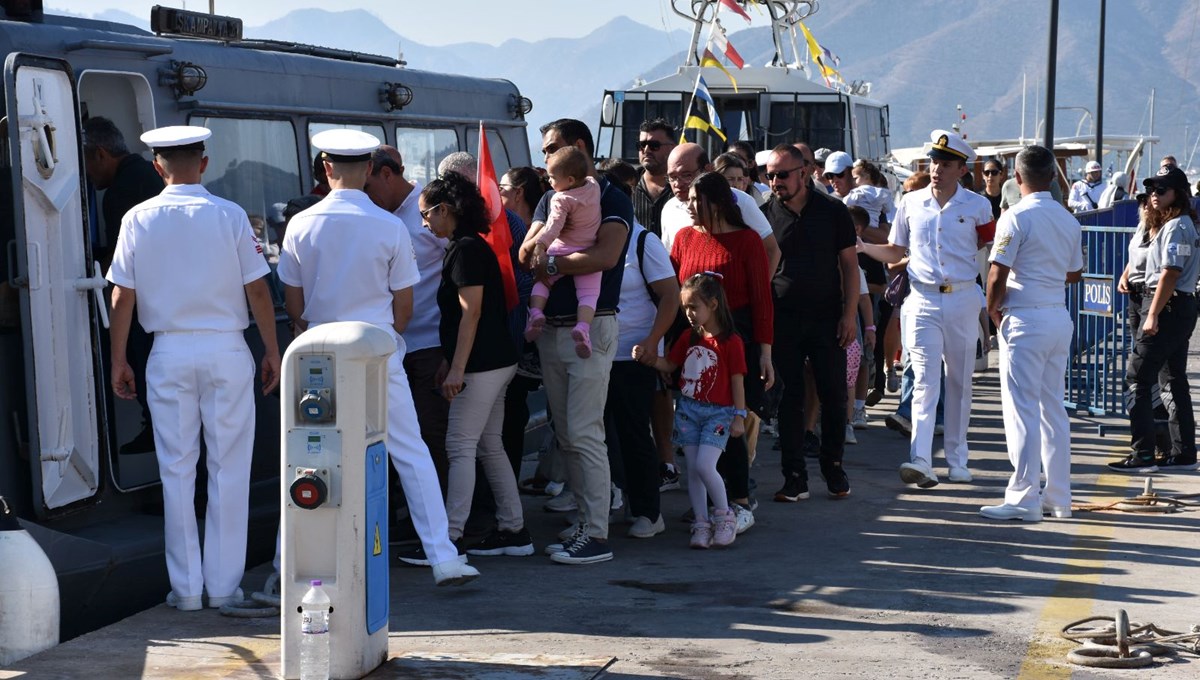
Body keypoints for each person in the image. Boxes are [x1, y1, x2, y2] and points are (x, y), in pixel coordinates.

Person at [278, 129, 479, 586]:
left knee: (309, 455)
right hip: (376, 347)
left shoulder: (300, 225)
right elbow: (404, 307)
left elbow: (294, 305)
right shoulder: (390, 226)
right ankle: (443, 558)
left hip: (319, 354)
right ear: (369, 170)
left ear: (326, 168)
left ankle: (293, 564)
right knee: (410, 450)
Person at [106, 125, 281, 611]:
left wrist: (119, 357)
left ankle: (185, 591)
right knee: (229, 469)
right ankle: (224, 587)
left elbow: (122, 295)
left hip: (167, 352)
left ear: (158, 166)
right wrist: (271, 349)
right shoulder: (229, 216)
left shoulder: (137, 218)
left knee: (176, 470)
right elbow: (259, 290)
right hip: (226, 349)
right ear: (203, 163)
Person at [520, 118, 632, 565]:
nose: (545, 157)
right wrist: (541, 256)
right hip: (553, 328)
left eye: (551, 149)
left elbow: (605, 256)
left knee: (585, 433)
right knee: (567, 433)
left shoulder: (612, 198)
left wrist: (551, 263)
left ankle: (597, 533)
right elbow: (527, 254)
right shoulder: (550, 196)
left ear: (577, 149)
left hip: (592, 324)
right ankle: (587, 521)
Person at [859, 130, 995, 488]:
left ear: (962, 169)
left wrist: (989, 306)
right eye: (934, 162)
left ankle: (957, 458)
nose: (937, 169)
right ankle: (920, 459)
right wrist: (864, 248)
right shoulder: (911, 202)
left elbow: (988, 247)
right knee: (923, 379)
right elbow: (896, 250)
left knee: (960, 381)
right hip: (920, 298)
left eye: (946, 164)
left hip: (963, 296)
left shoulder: (978, 206)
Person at [417, 173, 532, 555]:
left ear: (444, 210)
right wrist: (452, 360)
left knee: (460, 445)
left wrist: (456, 369)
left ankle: (449, 537)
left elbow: (471, 313)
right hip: (498, 361)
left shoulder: (464, 250)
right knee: (489, 445)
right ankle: (514, 529)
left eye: (426, 215)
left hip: (482, 365)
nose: (424, 223)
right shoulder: (471, 246)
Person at [980, 145, 1084, 522]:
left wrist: (993, 309)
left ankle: (1023, 497)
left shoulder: (1014, 216)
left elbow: (996, 273)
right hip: (1057, 315)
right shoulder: (1068, 219)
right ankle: (1058, 498)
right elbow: (1075, 272)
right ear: (1054, 177)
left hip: (1025, 319)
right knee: (1052, 409)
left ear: (1017, 178)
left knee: (1022, 411)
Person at [671, 171, 774, 528]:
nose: (689, 205)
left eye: (697, 199)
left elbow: (762, 300)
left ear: (716, 202)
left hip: (736, 341)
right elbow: (673, 295)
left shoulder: (747, 241)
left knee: (731, 422)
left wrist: (765, 352)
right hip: (694, 345)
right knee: (694, 425)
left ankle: (740, 501)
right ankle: (708, 503)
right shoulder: (684, 238)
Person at [762, 143, 858, 501]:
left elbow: (849, 266)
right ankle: (794, 476)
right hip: (782, 319)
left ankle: (833, 467)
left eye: (782, 175)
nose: (775, 182)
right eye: (770, 175)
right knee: (789, 399)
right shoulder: (763, 215)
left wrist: (849, 316)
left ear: (803, 173)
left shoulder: (833, 211)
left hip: (827, 319)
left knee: (833, 396)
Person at [363, 145, 452, 490]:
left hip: (429, 344)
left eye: (369, 187)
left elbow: (458, 271)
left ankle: (446, 524)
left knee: (432, 435)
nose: (367, 197)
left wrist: (451, 349)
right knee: (392, 439)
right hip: (392, 346)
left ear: (387, 174)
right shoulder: (379, 216)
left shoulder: (428, 212)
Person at [636, 273, 745, 549]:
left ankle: (724, 516)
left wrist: (739, 416)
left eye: (693, 307)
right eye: (685, 308)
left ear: (714, 304)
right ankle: (701, 522)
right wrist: (650, 360)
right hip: (688, 411)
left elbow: (737, 381)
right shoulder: (688, 337)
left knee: (704, 466)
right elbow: (671, 366)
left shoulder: (732, 342)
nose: (689, 313)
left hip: (719, 413)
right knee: (694, 472)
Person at [82, 116, 165, 456]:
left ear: (100, 154)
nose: (87, 172)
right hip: (165, 301)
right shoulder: (146, 174)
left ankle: (153, 427)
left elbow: (122, 267)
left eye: (86, 161)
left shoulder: (119, 192)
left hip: (145, 308)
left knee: (148, 378)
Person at [1112, 166, 1200, 472]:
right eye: (1151, 191)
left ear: (1179, 194)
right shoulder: (1166, 224)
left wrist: (1152, 314)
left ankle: (1143, 453)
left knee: (1138, 378)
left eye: (1161, 190)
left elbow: (1170, 274)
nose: (1153, 196)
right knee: (1171, 379)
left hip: (1168, 305)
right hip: (1168, 304)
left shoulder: (1177, 226)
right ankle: (1183, 451)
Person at [608, 176, 680, 539]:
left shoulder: (643, 241)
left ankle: (649, 512)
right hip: (597, 354)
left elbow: (671, 296)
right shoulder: (594, 238)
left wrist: (654, 341)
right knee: (601, 434)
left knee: (634, 432)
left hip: (634, 354)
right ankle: (614, 500)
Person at [521, 147, 602, 358]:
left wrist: (541, 245)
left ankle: (536, 314)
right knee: (589, 294)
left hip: (561, 249)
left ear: (571, 180)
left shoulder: (559, 199)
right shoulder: (594, 186)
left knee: (542, 281)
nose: (549, 182)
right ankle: (583, 328)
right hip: (587, 251)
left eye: (552, 177)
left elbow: (553, 227)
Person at [660, 144, 781, 273]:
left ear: (707, 170)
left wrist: (760, 287)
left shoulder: (740, 201)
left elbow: (772, 251)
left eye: (686, 175)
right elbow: (670, 263)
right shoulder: (669, 209)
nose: (678, 184)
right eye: (672, 177)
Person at [632, 118, 677, 237]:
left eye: (654, 145)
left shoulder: (684, 188)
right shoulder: (627, 186)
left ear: (672, 147)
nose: (646, 150)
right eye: (641, 145)